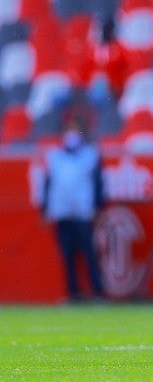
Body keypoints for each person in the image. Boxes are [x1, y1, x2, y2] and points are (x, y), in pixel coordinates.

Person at [42, 119, 106, 302]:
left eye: (75, 131)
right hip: (62, 212)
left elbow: (98, 184)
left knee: (89, 254)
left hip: (84, 213)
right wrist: (45, 209)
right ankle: (73, 293)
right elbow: (48, 184)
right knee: (67, 255)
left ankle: (97, 292)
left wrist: (97, 207)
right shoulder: (55, 157)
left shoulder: (91, 155)